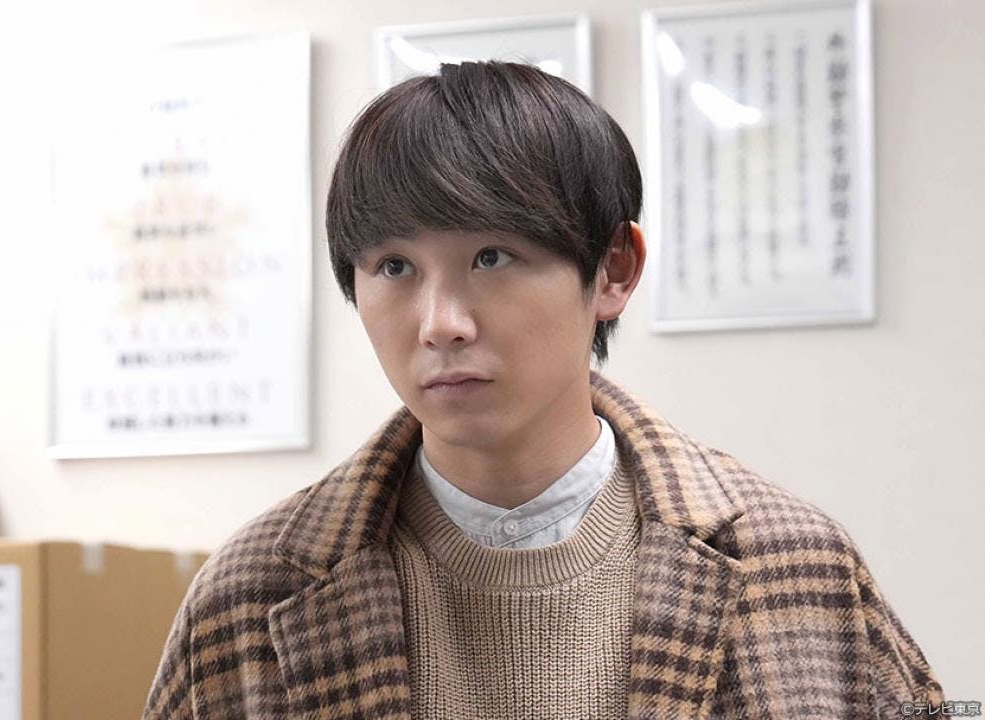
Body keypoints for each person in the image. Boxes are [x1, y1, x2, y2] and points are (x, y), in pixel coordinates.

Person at [143, 61, 943, 719]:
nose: (440, 323)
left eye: (491, 256)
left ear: (613, 270)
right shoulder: (250, 597)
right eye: (393, 266)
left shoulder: (796, 565)